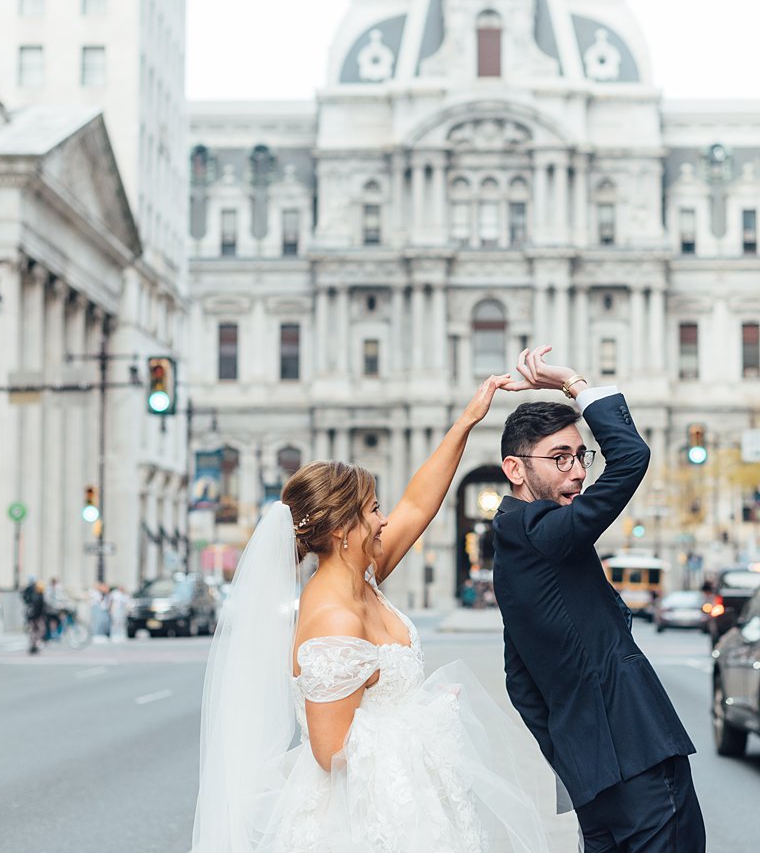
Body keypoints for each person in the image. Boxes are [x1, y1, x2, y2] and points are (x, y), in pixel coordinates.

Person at [191, 373, 571, 853]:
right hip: (356, 823)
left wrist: (468, 420)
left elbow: (418, 504)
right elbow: (331, 754)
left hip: (406, 803)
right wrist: (430, 715)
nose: (384, 518)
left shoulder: (363, 573)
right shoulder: (333, 616)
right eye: (372, 509)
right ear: (342, 529)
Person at [494, 346, 704, 852]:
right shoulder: (547, 532)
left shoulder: (510, 545)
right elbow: (632, 456)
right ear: (515, 470)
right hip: (641, 758)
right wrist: (573, 382)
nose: (578, 472)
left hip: (593, 777)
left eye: (580, 456)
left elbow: (520, 680)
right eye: (558, 458)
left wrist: (575, 753)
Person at [21, 577, 45, 655]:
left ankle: (33, 646)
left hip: (34, 617)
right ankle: (33, 646)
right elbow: (37, 609)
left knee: (35, 632)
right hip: (35, 617)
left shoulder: (37, 595)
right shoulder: (38, 596)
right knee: (37, 632)